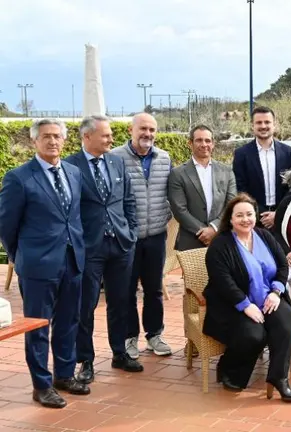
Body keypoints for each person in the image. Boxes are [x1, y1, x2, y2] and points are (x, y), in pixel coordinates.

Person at [0, 119, 89, 408]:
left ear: (65, 141)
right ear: (35, 141)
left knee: (68, 321)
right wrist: (21, 255)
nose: (53, 141)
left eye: (57, 136)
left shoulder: (74, 173)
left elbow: (74, 217)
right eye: (47, 137)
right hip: (38, 265)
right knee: (38, 327)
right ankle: (41, 385)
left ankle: (64, 374)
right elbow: (7, 225)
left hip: (72, 259)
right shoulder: (19, 178)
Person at [65, 116, 144, 385]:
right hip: (88, 247)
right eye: (106, 135)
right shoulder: (70, 167)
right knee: (85, 305)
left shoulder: (116, 161)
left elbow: (128, 200)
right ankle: (85, 360)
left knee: (120, 301)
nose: (111, 139)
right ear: (87, 137)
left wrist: (131, 232)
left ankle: (119, 353)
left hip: (121, 244)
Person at [202, 194, 291, 402]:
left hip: (268, 296)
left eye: (249, 214)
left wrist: (276, 292)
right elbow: (223, 282)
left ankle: (279, 378)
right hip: (232, 303)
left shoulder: (265, 236)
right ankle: (229, 368)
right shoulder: (220, 244)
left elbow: (282, 266)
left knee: (284, 322)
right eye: (240, 215)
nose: (245, 219)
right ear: (230, 219)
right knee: (254, 335)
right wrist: (245, 305)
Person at [111, 113, 173, 359]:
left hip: (156, 235)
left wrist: (165, 215)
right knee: (127, 290)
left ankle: (154, 335)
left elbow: (172, 191)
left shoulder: (164, 158)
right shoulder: (115, 157)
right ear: (131, 130)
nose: (148, 134)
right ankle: (129, 338)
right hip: (128, 238)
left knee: (154, 289)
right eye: (143, 129)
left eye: (152, 130)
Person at [169, 125, 237, 250]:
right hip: (191, 240)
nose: (204, 144)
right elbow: (179, 209)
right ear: (190, 143)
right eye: (199, 140)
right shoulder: (177, 173)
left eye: (207, 140)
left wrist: (214, 228)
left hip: (221, 238)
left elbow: (231, 204)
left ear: (213, 144)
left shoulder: (227, 171)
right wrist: (203, 231)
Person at [232, 106, 291, 229]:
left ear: (274, 124)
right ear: (252, 126)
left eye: (267, 122)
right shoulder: (241, 154)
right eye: (259, 122)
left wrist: (278, 213)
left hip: (282, 217)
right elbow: (240, 188)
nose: (263, 126)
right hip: (253, 219)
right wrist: (261, 214)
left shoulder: (287, 152)